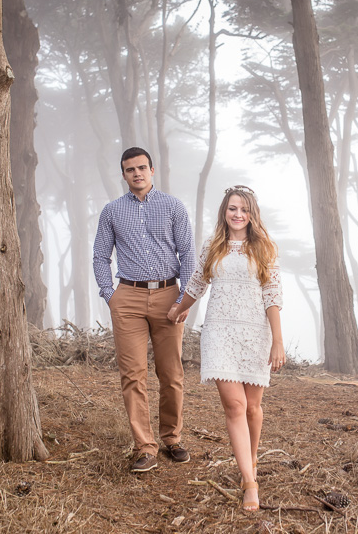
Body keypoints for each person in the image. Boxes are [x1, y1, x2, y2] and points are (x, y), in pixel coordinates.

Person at [167, 185, 284, 512]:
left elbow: (272, 295)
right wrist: (178, 309)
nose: (237, 214)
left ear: (252, 214)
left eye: (243, 209)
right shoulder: (213, 246)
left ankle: (251, 460)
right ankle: (249, 482)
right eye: (232, 208)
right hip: (219, 333)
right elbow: (197, 284)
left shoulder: (264, 248)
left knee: (252, 408)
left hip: (255, 334)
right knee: (235, 405)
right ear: (225, 211)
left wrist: (277, 340)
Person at [93, 147, 196, 473]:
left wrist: (185, 299)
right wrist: (110, 295)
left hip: (169, 296)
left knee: (171, 373)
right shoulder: (112, 211)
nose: (136, 173)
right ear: (123, 174)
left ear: (152, 170)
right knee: (133, 374)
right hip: (128, 298)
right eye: (130, 169)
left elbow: (188, 254)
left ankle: (172, 439)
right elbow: (100, 256)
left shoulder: (173, 206)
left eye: (141, 168)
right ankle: (144, 447)